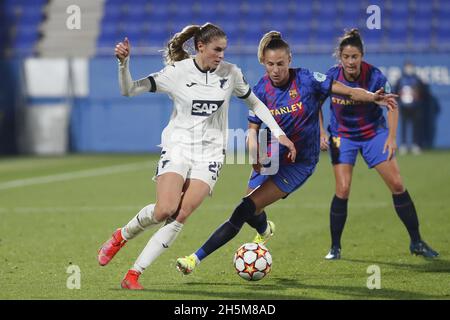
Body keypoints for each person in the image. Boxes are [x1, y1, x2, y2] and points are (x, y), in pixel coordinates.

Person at [175, 31, 398, 275]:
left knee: (244, 209)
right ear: (264, 63)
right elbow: (252, 130)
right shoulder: (260, 90)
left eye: (281, 63)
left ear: (289, 60)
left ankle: (194, 259)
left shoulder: (307, 79)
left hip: (300, 162)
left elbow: (346, 91)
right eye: (270, 64)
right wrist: (255, 156)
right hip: (270, 155)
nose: (276, 69)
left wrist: (372, 97)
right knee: (251, 210)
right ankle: (265, 230)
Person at [97, 23, 297, 290]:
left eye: (224, 50)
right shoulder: (177, 73)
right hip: (179, 146)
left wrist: (279, 133)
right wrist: (124, 64)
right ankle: (121, 235)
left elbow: (255, 103)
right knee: (165, 209)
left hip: (211, 155)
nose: (221, 55)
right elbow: (129, 90)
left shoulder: (230, 73)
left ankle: (134, 274)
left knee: (181, 214)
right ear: (200, 47)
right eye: (217, 50)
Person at [319, 29, 439, 260]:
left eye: (355, 56)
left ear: (362, 56)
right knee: (342, 189)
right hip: (342, 136)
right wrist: (321, 132)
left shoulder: (375, 76)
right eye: (346, 57)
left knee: (397, 184)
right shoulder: (331, 76)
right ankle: (335, 247)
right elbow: (315, 104)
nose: (351, 61)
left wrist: (391, 137)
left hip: (373, 133)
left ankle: (417, 242)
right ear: (340, 58)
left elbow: (392, 105)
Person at [394, 61, 427, 155]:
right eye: (407, 66)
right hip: (404, 106)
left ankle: (415, 145)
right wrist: (399, 96)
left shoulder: (417, 79)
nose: (409, 68)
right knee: (403, 126)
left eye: (410, 66)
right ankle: (404, 145)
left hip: (416, 106)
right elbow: (395, 92)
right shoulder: (400, 79)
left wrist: (418, 95)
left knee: (416, 126)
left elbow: (423, 92)